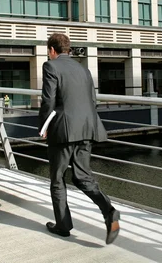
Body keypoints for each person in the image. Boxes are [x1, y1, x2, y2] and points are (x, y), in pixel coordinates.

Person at [38, 33, 120, 245]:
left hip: (63, 131)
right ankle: (109, 212)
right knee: (82, 177)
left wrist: (43, 126)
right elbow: (93, 100)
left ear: (52, 50)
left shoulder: (51, 66)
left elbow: (48, 100)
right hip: (86, 128)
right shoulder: (84, 69)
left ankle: (63, 226)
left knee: (58, 179)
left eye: (49, 51)